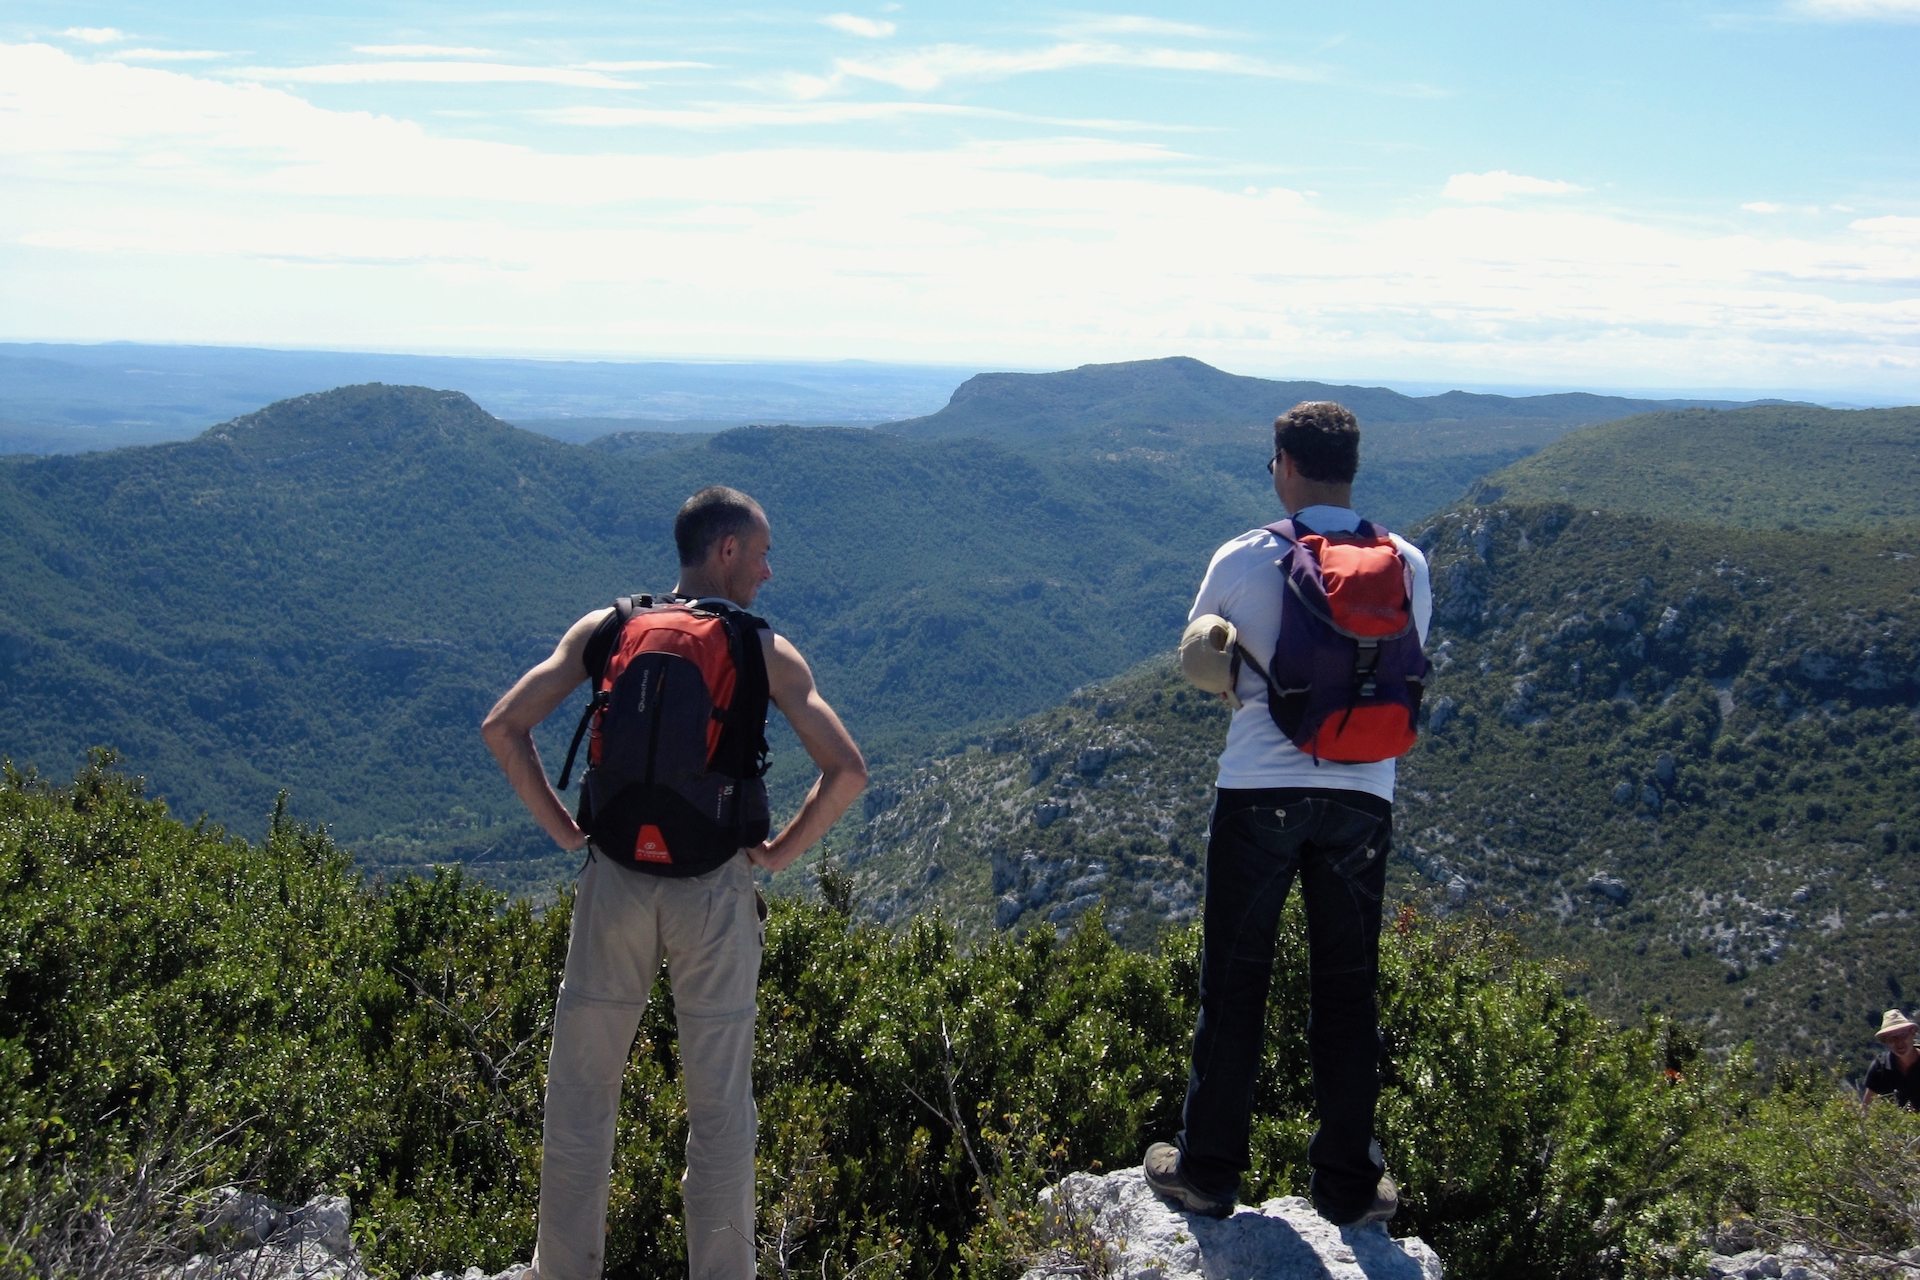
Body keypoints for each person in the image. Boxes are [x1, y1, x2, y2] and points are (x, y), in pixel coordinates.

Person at [482, 485, 867, 1280]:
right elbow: (847, 771)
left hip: (613, 886)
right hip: (714, 896)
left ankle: (564, 1271)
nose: (768, 570)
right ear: (725, 550)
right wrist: (777, 852)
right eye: (761, 553)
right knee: (720, 1110)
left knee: (582, 1098)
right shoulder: (764, 649)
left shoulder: (608, 628)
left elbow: (503, 726)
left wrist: (565, 832)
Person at [1143, 400, 1432, 1227]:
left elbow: (1201, 658)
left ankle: (1206, 1172)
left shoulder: (1245, 555)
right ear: (1351, 466)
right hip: (1365, 795)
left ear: (1285, 464)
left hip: (1260, 790)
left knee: (1234, 984)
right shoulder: (1407, 562)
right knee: (1348, 989)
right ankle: (1349, 1184)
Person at [1863, 1009, 1920, 1111]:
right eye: (1892, 1038)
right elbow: (1866, 1109)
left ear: (1913, 1034)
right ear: (1885, 1042)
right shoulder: (1880, 1068)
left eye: (1903, 1035)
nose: (1899, 1042)